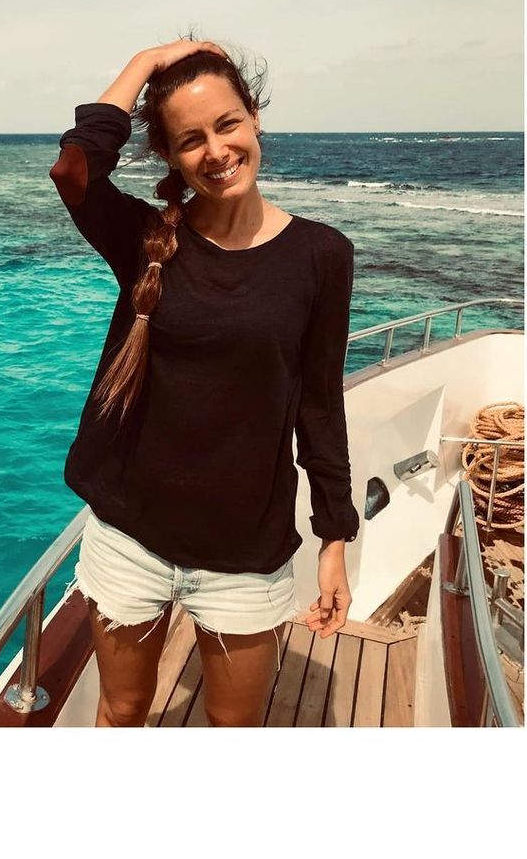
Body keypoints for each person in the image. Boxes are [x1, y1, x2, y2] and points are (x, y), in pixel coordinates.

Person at [48, 37, 360, 727]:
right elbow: (74, 169)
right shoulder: (144, 238)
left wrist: (334, 538)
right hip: (130, 536)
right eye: (190, 140)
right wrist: (145, 61)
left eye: (227, 124)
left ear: (253, 118)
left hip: (243, 553)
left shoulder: (321, 255)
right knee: (122, 711)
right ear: (170, 157)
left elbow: (318, 403)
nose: (216, 151)